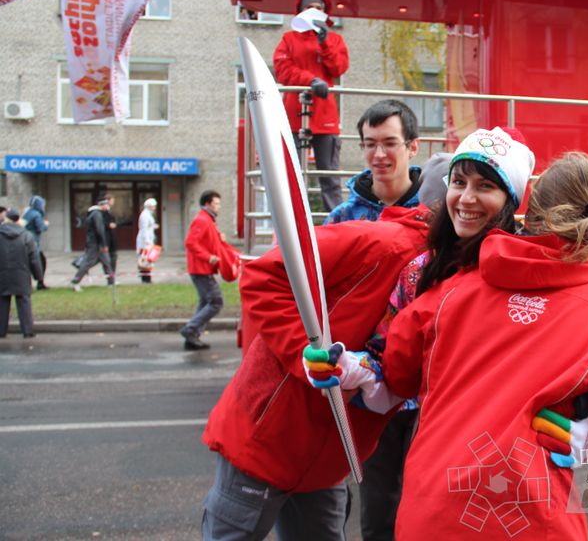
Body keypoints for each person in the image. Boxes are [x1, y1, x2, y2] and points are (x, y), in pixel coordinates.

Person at [313, 151, 588, 540]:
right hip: (533, 519)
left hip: (431, 513)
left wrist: (354, 367)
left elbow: (395, 375)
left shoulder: (451, 291)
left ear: (528, 215)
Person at [200, 159, 450, 541]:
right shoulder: (380, 242)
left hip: (330, 454)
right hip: (268, 438)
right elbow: (265, 274)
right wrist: (306, 353)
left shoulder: (450, 274)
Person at [306, 127, 536, 541]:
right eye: (460, 183)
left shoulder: (532, 276)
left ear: (510, 202)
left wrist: (580, 423)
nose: (466, 198)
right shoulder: (419, 272)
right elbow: (386, 358)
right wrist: (348, 366)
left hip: (505, 457)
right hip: (433, 442)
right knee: (385, 520)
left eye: (485, 187)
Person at [274, 0, 349, 212]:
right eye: (309, 7)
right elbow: (282, 69)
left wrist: (325, 43)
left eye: (318, 7)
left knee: (329, 175)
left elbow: (339, 67)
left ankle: (334, 222)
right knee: (293, 172)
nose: (313, 11)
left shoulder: (334, 40)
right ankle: (293, 220)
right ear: (300, 10)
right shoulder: (289, 39)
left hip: (325, 116)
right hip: (296, 113)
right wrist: (310, 80)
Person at [325, 100, 422, 224]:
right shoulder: (342, 217)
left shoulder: (434, 212)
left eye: (390, 144)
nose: (379, 154)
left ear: (413, 147)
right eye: (370, 144)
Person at [182, 191, 233, 351]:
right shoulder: (202, 220)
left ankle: (193, 336)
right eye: (216, 203)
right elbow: (191, 242)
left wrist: (219, 239)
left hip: (202, 268)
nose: (219, 207)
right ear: (208, 204)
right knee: (216, 301)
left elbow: (205, 240)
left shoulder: (208, 220)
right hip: (200, 268)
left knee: (206, 301)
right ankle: (190, 330)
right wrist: (208, 257)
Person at [0, 209, 43, 339]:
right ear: (18, 219)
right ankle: (27, 330)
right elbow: (34, 259)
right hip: (22, 274)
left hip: (2, 275)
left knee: (2, 302)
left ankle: (1, 331)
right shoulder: (26, 235)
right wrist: (39, 277)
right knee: (24, 301)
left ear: (6, 219)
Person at [71, 195, 115, 291]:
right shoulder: (97, 214)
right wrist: (103, 244)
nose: (108, 206)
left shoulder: (95, 214)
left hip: (96, 243)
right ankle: (75, 281)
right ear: (102, 205)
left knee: (107, 262)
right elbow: (100, 230)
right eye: (107, 204)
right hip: (95, 244)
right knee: (88, 262)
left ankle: (111, 282)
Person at [22, 195, 49, 290]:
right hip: (33, 243)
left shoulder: (27, 213)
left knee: (28, 263)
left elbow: (21, 225)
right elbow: (40, 228)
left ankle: (30, 284)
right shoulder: (37, 214)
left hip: (24, 241)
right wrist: (45, 225)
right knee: (40, 262)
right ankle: (40, 283)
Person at [137, 198, 160, 284]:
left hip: (149, 240)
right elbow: (144, 229)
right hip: (144, 242)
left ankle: (148, 277)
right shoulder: (144, 215)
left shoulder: (148, 214)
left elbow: (149, 226)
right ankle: (145, 279)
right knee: (145, 260)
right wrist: (146, 240)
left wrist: (154, 226)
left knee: (149, 259)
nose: (154, 208)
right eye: (153, 206)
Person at [101, 195, 118, 286]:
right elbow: (102, 224)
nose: (113, 202)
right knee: (107, 260)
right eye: (112, 200)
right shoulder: (102, 213)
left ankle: (112, 278)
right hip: (106, 240)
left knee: (113, 258)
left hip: (112, 239)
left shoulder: (109, 212)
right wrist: (108, 225)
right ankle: (110, 279)